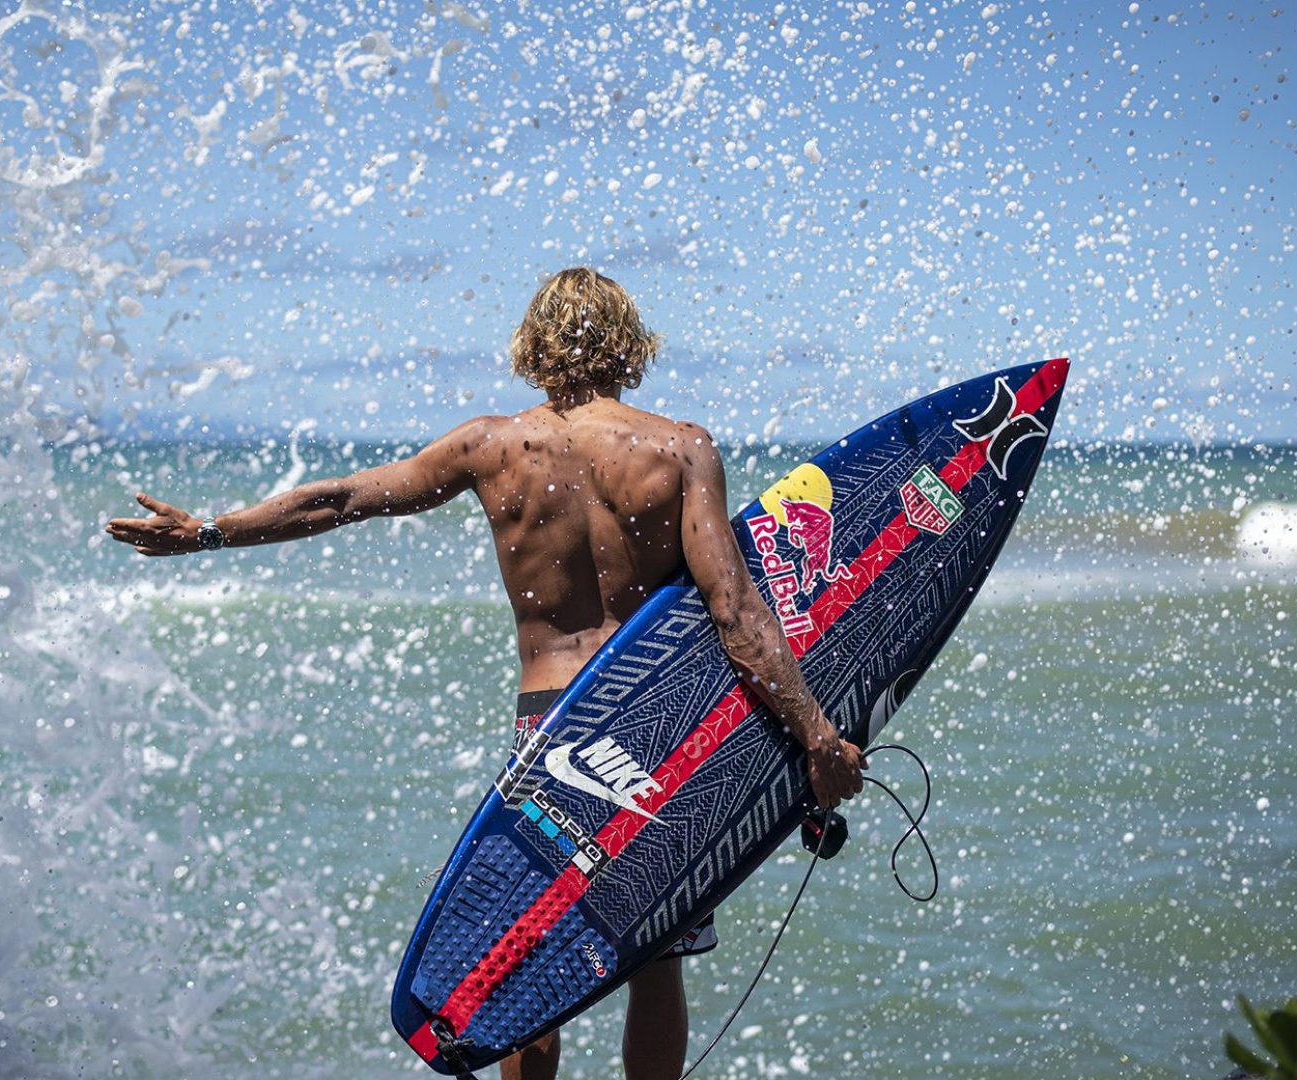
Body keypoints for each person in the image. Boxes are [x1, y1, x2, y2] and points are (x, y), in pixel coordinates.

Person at [104, 267, 865, 1080]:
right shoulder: (679, 448)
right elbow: (734, 608)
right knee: (657, 952)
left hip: (551, 722)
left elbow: (340, 498)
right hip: (656, 715)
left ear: (533, 347)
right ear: (628, 345)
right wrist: (816, 734)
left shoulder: (492, 447)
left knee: (528, 952)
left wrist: (211, 534)